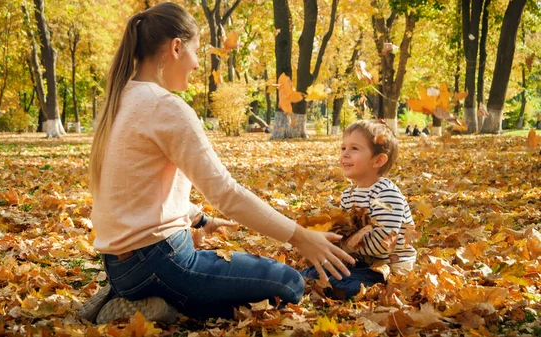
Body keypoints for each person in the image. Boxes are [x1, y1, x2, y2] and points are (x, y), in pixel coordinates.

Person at [85, 2, 355, 323]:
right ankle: (165, 309)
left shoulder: (120, 100)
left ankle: (134, 297)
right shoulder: (166, 107)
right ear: (175, 48)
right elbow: (226, 193)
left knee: (245, 280)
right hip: (161, 263)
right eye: (196, 52)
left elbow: (133, 189)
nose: (198, 64)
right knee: (289, 283)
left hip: (120, 267)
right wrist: (300, 236)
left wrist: (198, 220)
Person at [301, 120, 417, 300]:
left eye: (354, 149)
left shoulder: (386, 194)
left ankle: (346, 287)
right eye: (343, 148)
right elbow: (345, 230)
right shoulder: (349, 194)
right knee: (313, 272)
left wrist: (346, 248)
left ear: (378, 160)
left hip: (387, 268)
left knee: (345, 284)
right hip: (359, 261)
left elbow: (383, 245)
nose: (345, 154)